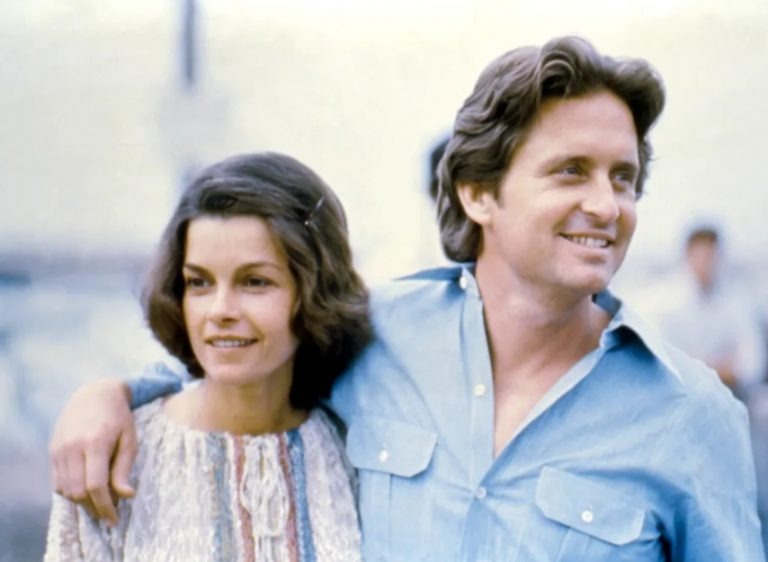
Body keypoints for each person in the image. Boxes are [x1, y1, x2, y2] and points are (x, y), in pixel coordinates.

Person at [49, 36, 764, 561]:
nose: (606, 205)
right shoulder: (375, 336)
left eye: (623, 178)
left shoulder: (692, 416)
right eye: (571, 171)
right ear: (478, 193)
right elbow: (239, 370)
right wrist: (111, 396)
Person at [44, 152, 370, 561]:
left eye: (255, 281)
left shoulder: (356, 453)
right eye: (199, 282)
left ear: (314, 291)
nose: (220, 311)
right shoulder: (114, 454)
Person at [654, 225, 766, 394]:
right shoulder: (664, 302)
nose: (705, 263)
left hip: (729, 393)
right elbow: (661, 362)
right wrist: (720, 366)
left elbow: (753, 364)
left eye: (711, 256)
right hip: (680, 395)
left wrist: (697, 365)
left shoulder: (737, 299)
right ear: (687, 255)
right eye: (700, 255)